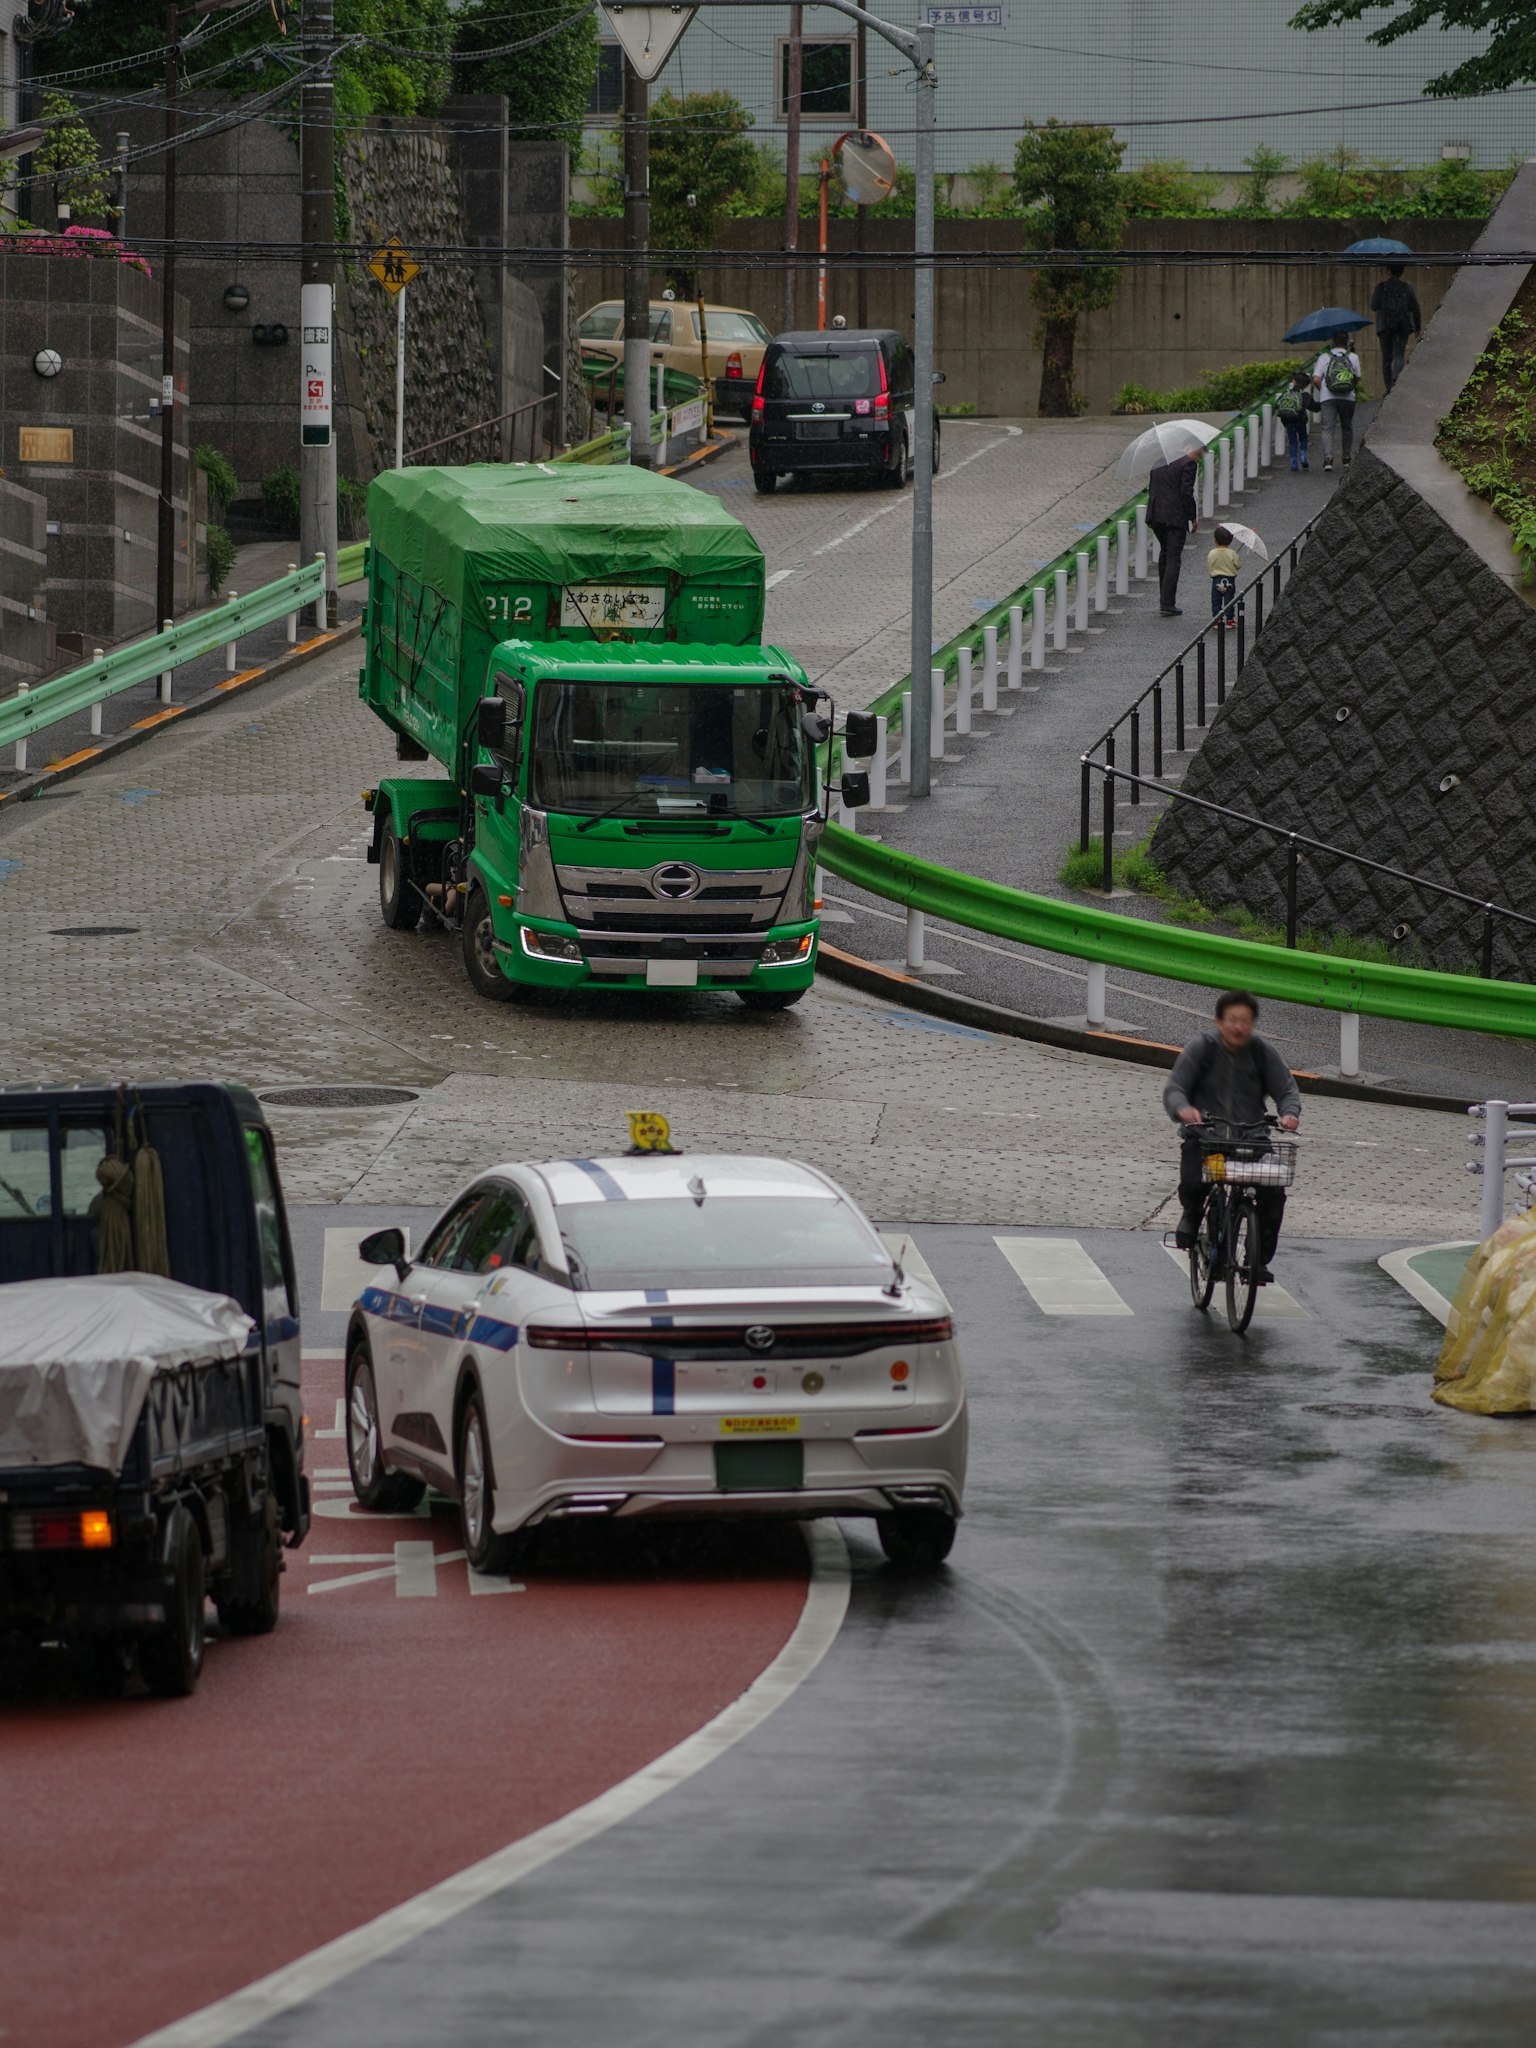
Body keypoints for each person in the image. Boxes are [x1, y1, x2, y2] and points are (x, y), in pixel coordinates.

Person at [1165, 991, 1301, 1282]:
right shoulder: (1202, 1048)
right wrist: (1184, 1109)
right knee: (1196, 1183)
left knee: (1273, 1192)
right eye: (1232, 1020)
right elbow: (1175, 1088)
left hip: (1253, 1141)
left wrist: (1289, 1114)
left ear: (1253, 1024)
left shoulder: (1262, 1052)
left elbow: (1287, 1090)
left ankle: (1257, 1260)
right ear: (1219, 1021)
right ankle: (1192, 1213)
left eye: (1245, 1021)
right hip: (1208, 1140)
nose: (1238, 1027)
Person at [1146, 443, 1201, 617]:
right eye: (1198, 452)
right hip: (1175, 517)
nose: (1199, 457)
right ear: (1188, 446)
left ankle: (1164, 599)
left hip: (1156, 515)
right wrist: (1193, 517)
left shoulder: (1159, 461)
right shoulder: (1188, 464)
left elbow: (1153, 488)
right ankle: (1168, 603)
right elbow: (1186, 493)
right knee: (1173, 557)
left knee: (1165, 553)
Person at [1311, 335, 1362, 472]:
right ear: (1347, 342)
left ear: (1332, 342)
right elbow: (1357, 377)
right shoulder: (1353, 357)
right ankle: (1346, 458)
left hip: (1328, 398)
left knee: (1327, 428)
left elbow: (1316, 379)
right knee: (1347, 427)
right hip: (1348, 397)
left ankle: (1328, 459)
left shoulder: (1324, 357)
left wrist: (1324, 390)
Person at [1370, 263, 1421, 394]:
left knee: (1386, 359)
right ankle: (1396, 379)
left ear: (1389, 271)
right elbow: (1415, 308)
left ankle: (1389, 389)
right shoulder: (1406, 288)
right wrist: (1417, 327)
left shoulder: (1381, 287)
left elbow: (1374, 305)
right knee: (1399, 355)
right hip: (1402, 327)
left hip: (1384, 327)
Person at [1275, 367, 1311, 471]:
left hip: (1288, 421)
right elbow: (1314, 407)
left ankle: (1294, 462)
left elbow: (1277, 405)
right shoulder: (1304, 395)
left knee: (1292, 441)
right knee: (1303, 437)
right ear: (1306, 385)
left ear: (1293, 382)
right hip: (1300, 420)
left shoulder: (1286, 394)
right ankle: (1303, 456)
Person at [1207, 524, 1241, 630]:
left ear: (1215, 540)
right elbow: (1238, 565)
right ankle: (1229, 620)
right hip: (1229, 580)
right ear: (1230, 540)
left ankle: (1217, 620)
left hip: (1216, 580)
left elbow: (1210, 564)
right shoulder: (1232, 553)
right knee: (1229, 601)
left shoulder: (1212, 553)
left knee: (1216, 601)